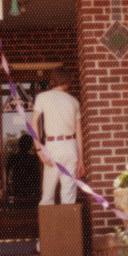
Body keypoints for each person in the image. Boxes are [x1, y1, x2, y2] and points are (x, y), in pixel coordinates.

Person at [30, 67, 85, 205]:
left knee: (47, 196)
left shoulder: (42, 97)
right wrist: (81, 160)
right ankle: (67, 227)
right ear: (67, 81)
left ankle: (49, 227)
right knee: (68, 197)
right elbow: (79, 133)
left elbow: (33, 123)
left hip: (52, 147)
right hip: (70, 147)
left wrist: (38, 150)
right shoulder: (74, 101)